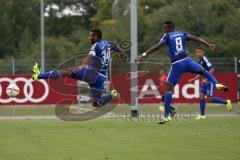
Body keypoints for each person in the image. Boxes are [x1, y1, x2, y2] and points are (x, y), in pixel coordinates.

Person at [135, 21, 228, 124]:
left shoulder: (167, 36)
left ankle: (166, 116)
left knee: (168, 89)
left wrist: (143, 54)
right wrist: (208, 44)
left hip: (177, 64)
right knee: (203, 71)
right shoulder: (183, 34)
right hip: (188, 61)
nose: (163, 30)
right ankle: (217, 83)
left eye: (164, 28)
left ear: (169, 28)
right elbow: (196, 38)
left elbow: (156, 46)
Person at [32, 29, 124, 107]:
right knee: (96, 103)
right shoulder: (107, 43)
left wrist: (82, 66)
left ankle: (38, 76)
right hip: (101, 78)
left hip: (91, 74)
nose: (89, 38)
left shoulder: (96, 45)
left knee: (66, 72)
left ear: (96, 36)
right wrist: (121, 52)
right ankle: (112, 95)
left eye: (90, 36)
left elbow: (89, 57)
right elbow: (116, 47)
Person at [188, 47, 232, 120]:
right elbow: (200, 73)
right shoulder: (200, 61)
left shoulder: (205, 59)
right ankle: (202, 115)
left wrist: (206, 78)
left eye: (199, 52)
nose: (198, 54)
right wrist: (194, 79)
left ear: (203, 52)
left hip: (209, 81)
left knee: (209, 99)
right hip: (205, 82)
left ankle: (226, 102)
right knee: (201, 97)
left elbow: (212, 69)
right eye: (197, 52)